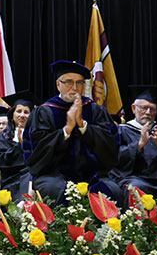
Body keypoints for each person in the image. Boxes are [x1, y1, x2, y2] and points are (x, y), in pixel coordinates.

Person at [23, 61, 121, 207]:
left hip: (94, 175)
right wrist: (67, 129)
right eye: (69, 82)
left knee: (113, 190)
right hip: (53, 175)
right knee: (51, 189)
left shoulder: (95, 110)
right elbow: (35, 153)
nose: (75, 88)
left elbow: (111, 148)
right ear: (58, 85)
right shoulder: (44, 112)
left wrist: (83, 125)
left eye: (79, 83)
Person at [110, 86, 157, 201]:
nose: (148, 113)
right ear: (134, 108)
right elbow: (115, 158)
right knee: (135, 188)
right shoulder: (122, 130)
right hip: (135, 178)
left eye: (152, 109)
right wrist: (139, 144)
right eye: (143, 108)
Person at [0, 91, 37, 204]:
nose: (22, 115)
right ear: (13, 114)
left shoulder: (38, 134)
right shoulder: (3, 137)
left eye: (26, 112)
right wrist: (20, 145)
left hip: (35, 178)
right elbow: (2, 162)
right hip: (12, 181)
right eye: (19, 111)